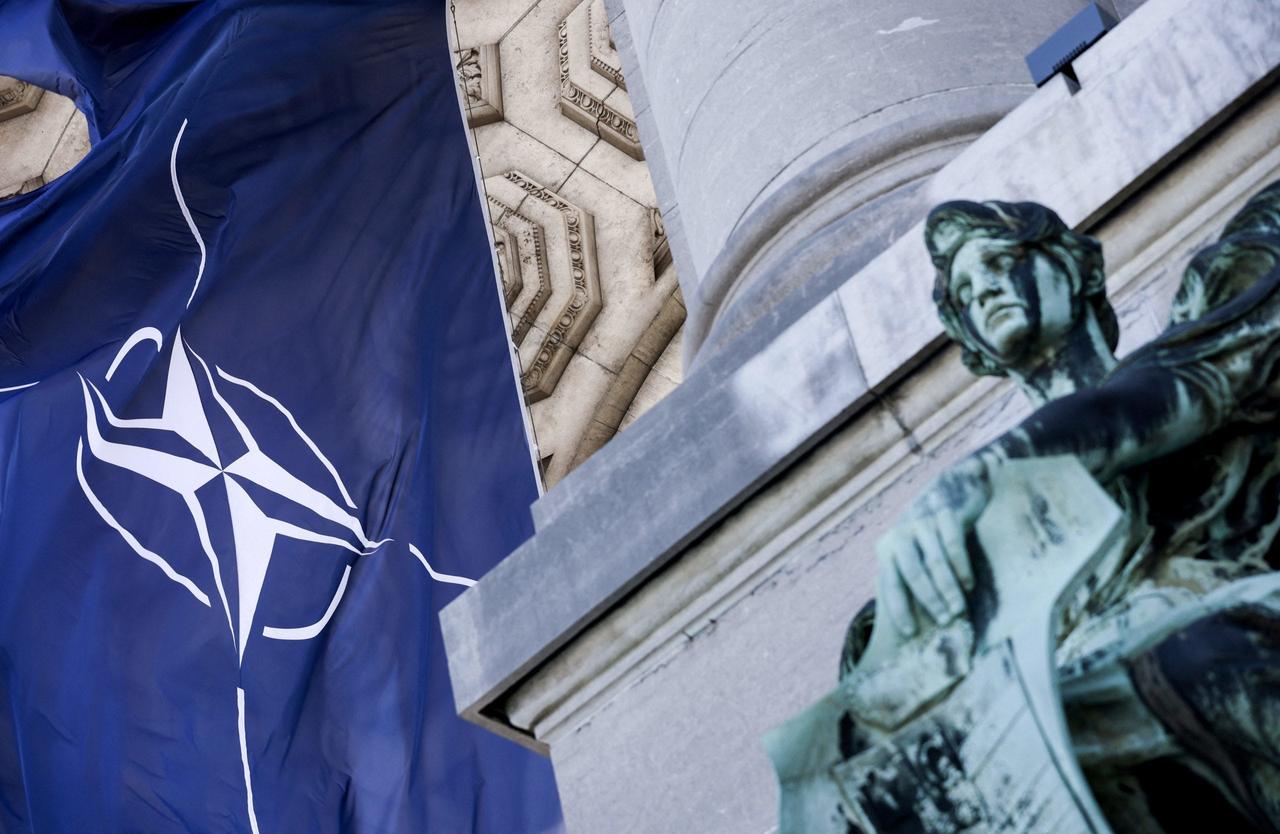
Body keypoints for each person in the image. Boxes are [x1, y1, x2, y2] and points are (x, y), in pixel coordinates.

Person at [866, 182, 1280, 832]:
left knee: (1193, 663)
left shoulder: (1197, 354)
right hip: (1076, 733)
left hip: (1211, 654)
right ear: (971, 346)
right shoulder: (973, 550)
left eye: (1004, 262)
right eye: (968, 296)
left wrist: (991, 470)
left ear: (1077, 265)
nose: (989, 292)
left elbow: (1151, 398)